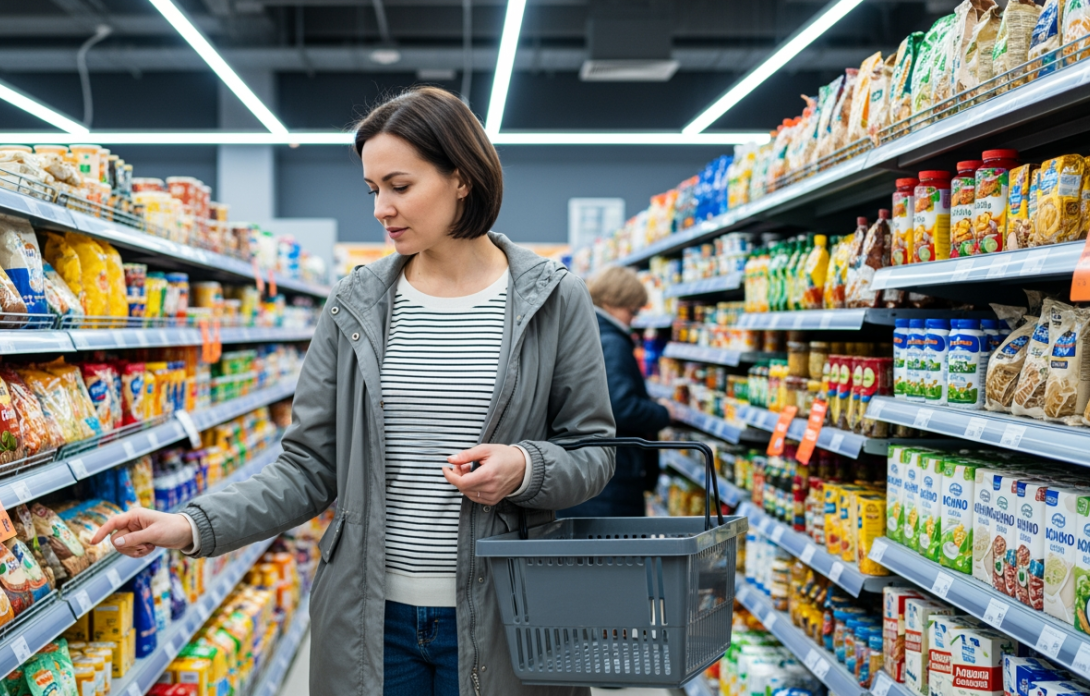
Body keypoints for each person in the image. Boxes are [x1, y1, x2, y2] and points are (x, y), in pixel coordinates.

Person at [91, 85, 615, 696]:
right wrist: (191, 524)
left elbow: (594, 451)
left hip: (506, 610)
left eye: (400, 186)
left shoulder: (553, 298)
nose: (381, 209)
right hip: (371, 620)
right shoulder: (356, 302)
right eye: (372, 190)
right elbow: (308, 467)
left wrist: (527, 467)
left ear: (462, 178)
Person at [559, 265, 670, 518]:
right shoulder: (611, 341)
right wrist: (663, 412)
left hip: (586, 467)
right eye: (632, 310)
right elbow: (619, 407)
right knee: (617, 542)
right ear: (610, 302)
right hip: (612, 475)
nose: (634, 319)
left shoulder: (583, 330)